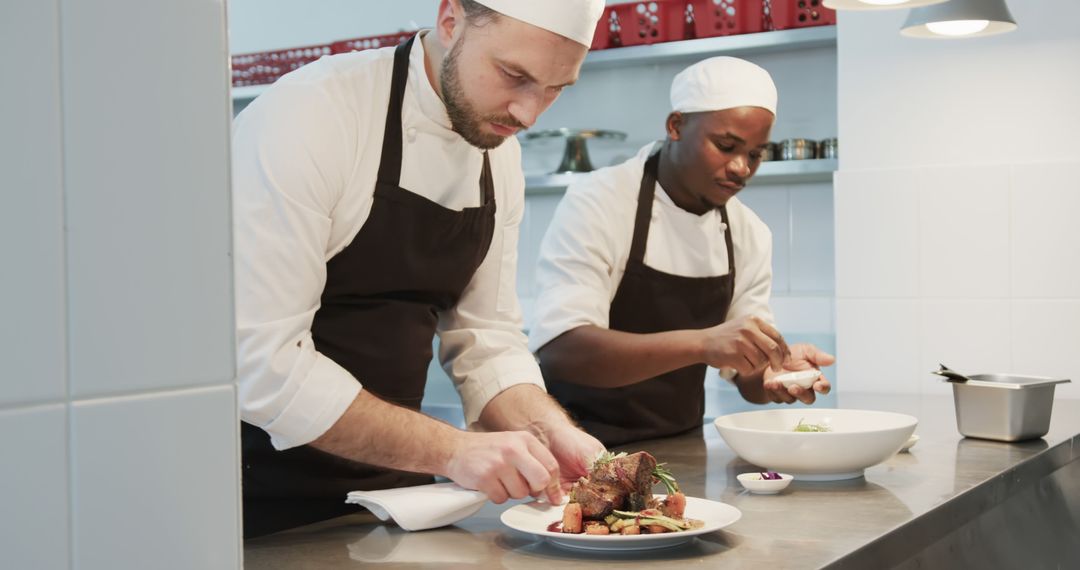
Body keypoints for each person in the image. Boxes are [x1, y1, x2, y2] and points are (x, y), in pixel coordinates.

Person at [231, 0, 606, 537]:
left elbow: (486, 336)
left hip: (395, 499)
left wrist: (549, 428)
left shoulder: (497, 149)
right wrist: (454, 450)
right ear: (450, 20)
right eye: (514, 75)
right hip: (258, 501)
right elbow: (264, 366)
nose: (528, 114)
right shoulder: (311, 115)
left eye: (555, 89)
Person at [530, 57, 835, 447]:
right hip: (572, 446)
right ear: (676, 126)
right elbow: (564, 350)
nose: (742, 168)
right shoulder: (601, 201)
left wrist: (775, 374)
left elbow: (749, 379)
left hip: (679, 448)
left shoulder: (748, 233)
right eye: (726, 146)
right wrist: (704, 343)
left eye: (756, 154)